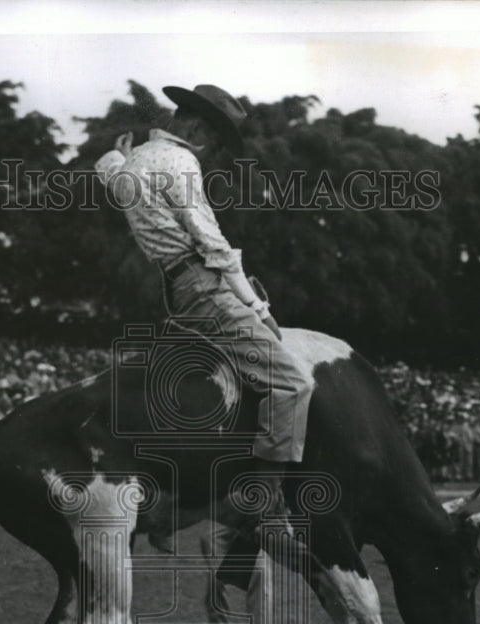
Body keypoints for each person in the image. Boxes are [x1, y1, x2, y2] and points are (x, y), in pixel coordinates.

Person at [95, 84, 315, 506]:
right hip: (204, 287)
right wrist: (257, 305)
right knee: (294, 384)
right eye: (214, 134)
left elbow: (115, 182)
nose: (213, 145)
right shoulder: (180, 162)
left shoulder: (134, 163)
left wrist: (114, 158)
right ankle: (263, 498)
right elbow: (210, 240)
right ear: (195, 124)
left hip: (177, 292)